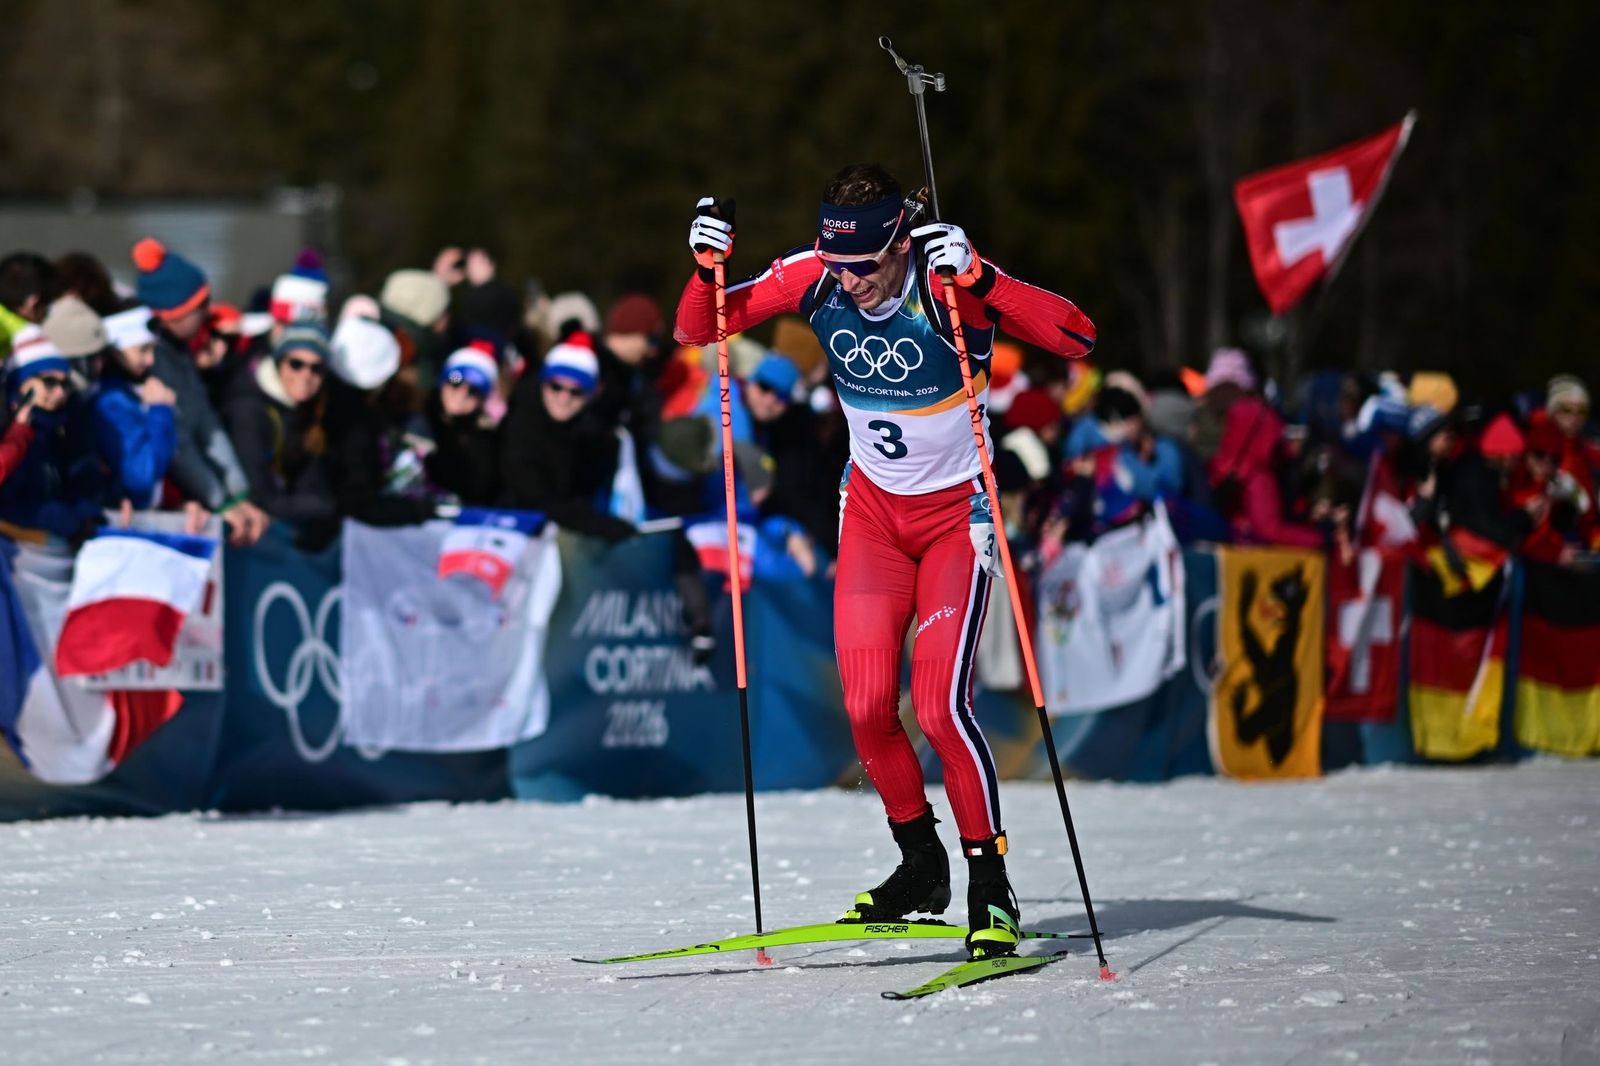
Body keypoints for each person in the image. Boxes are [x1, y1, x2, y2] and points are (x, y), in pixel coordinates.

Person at [673, 162, 1096, 958]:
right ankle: (921, 864)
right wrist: (705, 270)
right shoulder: (816, 275)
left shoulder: (943, 288)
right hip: (871, 515)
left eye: (865, 267)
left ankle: (989, 885)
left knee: (938, 709)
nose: (851, 283)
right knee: (868, 707)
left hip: (952, 520)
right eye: (839, 266)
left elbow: (1078, 336)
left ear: (900, 242)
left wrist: (986, 278)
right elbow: (701, 329)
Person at [132, 237, 269, 545]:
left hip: (201, 494)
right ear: (172, 314)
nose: (208, 314)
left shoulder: (181, 354)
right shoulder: (155, 363)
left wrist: (240, 494)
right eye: (201, 306)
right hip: (170, 504)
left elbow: (207, 425)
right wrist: (221, 502)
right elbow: (179, 443)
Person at [498, 331, 635, 542]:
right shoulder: (520, 423)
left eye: (576, 391)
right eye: (556, 386)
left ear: (591, 395)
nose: (563, 398)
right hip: (510, 535)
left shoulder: (595, 435)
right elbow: (534, 497)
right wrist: (595, 523)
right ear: (543, 384)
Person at [90, 307, 178, 509]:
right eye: (143, 350)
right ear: (116, 352)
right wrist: (160, 411)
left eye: (153, 349)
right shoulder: (110, 403)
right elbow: (141, 477)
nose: (151, 360)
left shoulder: (129, 394)